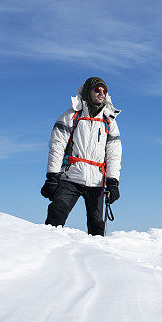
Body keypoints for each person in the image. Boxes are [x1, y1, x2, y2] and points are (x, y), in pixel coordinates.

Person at [40, 77, 122, 235]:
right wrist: (52, 176)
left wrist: (113, 182)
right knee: (56, 214)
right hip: (70, 177)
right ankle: (44, 251)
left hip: (97, 181)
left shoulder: (110, 122)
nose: (101, 93)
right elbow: (57, 146)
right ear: (87, 91)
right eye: (97, 89)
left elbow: (114, 153)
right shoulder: (70, 116)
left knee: (97, 226)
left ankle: (96, 258)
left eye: (104, 91)